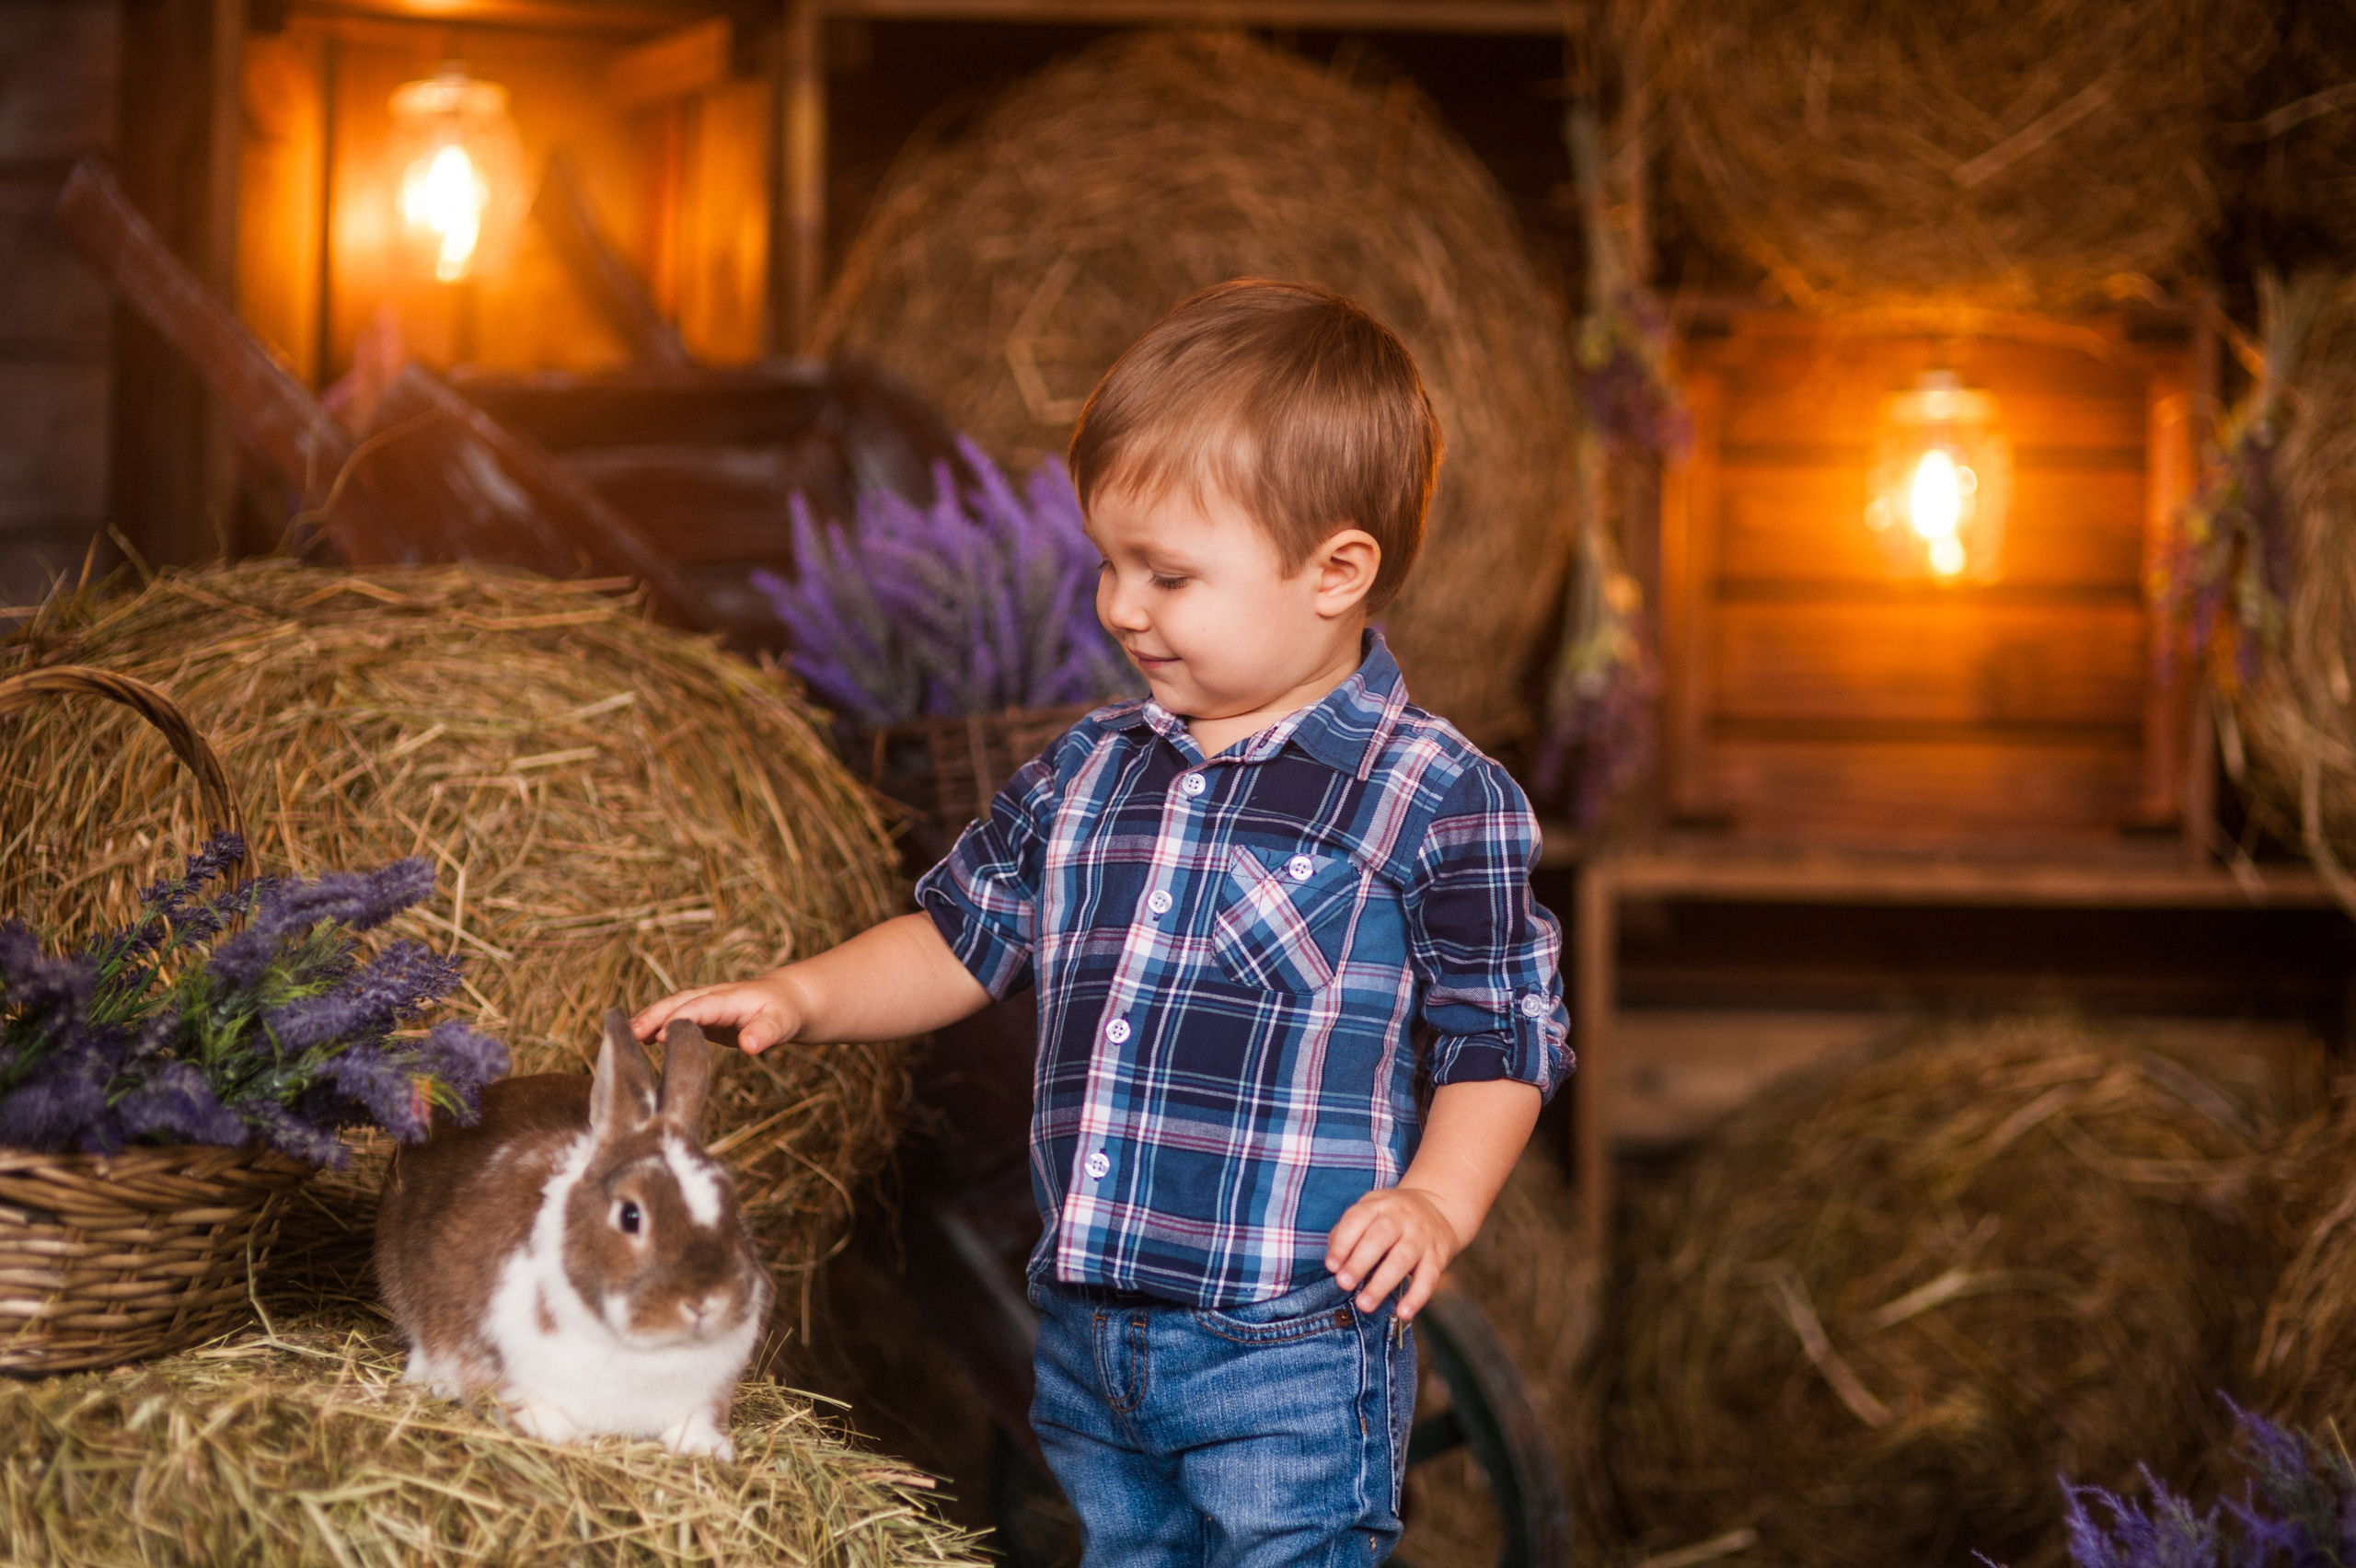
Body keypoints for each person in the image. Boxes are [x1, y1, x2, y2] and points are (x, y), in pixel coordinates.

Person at [633, 277, 1571, 1567]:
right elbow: (958, 938)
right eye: (1110, 566)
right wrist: (800, 997)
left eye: (1169, 575)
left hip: (1286, 1346)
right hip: (1091, 1335)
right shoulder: (1089, 771)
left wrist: (1436, 1205)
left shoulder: (1433, 796)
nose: (1123, 608)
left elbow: (1498, 1038)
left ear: (1335, 571)